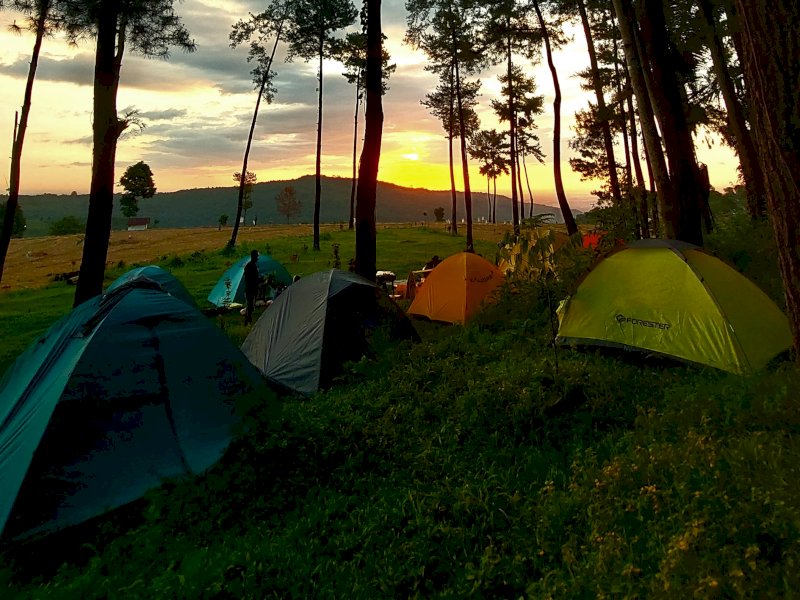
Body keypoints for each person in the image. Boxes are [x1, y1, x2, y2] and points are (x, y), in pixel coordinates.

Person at [244, 249, 261, 325]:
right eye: (257, 256)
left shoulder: (250, 266)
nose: (257, 258)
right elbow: (252, 278)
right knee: (250, 305)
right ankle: (248, 319)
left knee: (251, 305)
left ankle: (248, 319)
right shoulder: (251, 266)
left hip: (251, 288)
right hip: (250, 288)